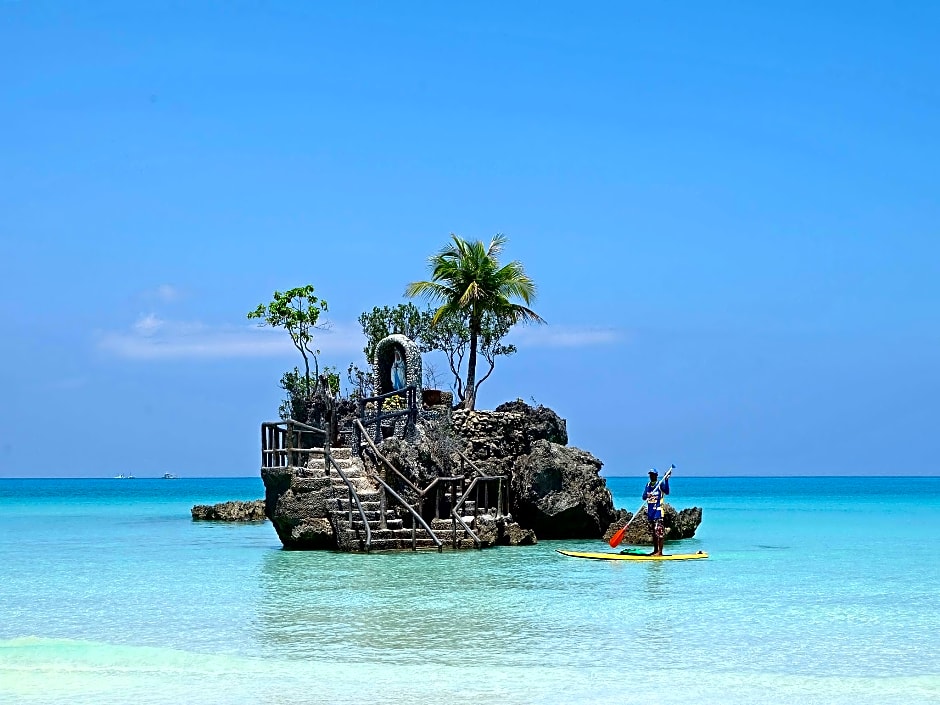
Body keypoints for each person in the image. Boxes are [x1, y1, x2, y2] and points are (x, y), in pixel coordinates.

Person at [643, 468, 670, 556]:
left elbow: (667, 491)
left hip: (658, 512)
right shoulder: (647, 485)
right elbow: (643, 497)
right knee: (654, 534)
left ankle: (660, 552)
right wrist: (647, 495)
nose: (651, 476)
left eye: (653, 475)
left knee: (659, 532)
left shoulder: (660, 484)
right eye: (650, 474)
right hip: (650, 513)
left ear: (656, 475)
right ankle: (655, 550)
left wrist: (666, 480)